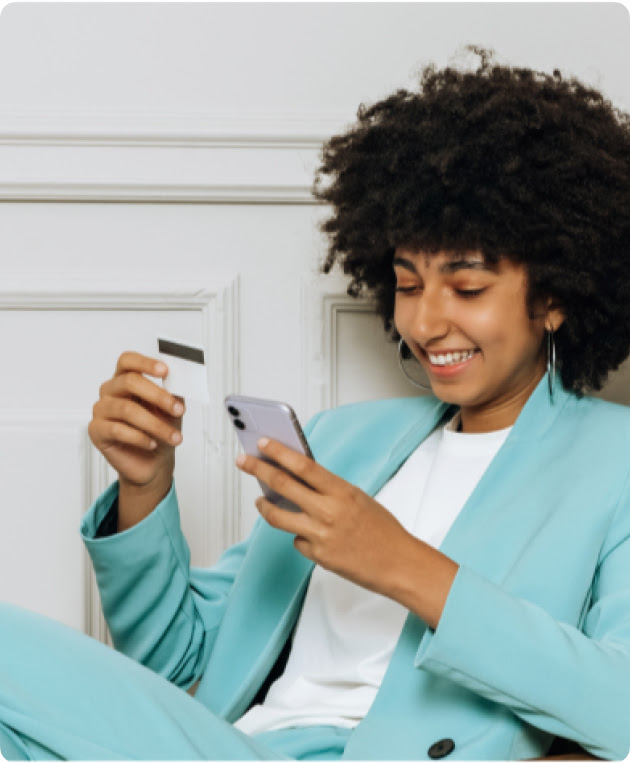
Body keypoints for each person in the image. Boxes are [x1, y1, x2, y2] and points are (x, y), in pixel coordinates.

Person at [1, 46, 630, 761]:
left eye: (468, 287)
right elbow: (179, 661)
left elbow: (621, 705)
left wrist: (401, 563)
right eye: (408, 284)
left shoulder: (613, 461)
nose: (425, 323)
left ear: (553, 297)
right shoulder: (346, 440)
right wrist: (145, 486)